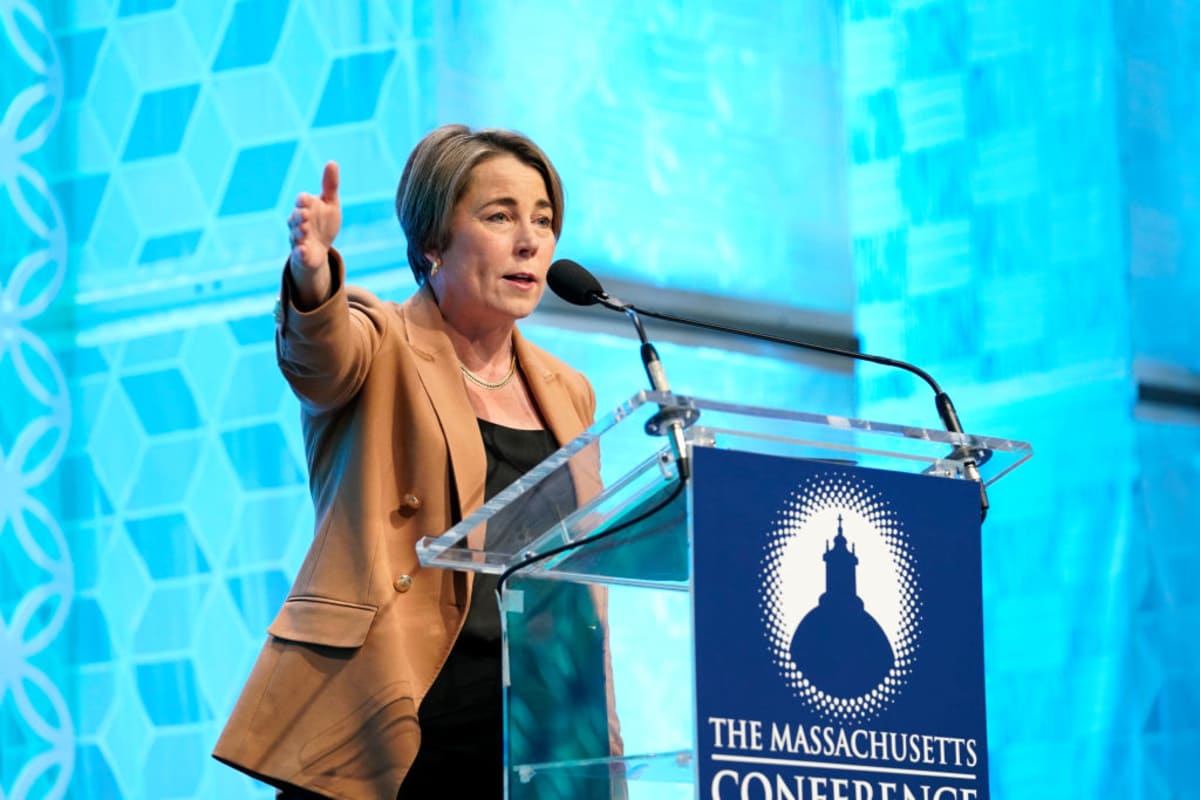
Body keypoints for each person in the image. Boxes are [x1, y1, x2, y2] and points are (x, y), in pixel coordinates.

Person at [212, 125, 621, 799]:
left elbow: (584, 584)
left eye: (543, 221)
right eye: (499, 216)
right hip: (386, 723)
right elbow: (322, 358)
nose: (530, 241)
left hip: (528, 738)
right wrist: (313, 278)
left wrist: (599, 757)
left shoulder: (568, 390)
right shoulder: (381, 340)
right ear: (433, 242)